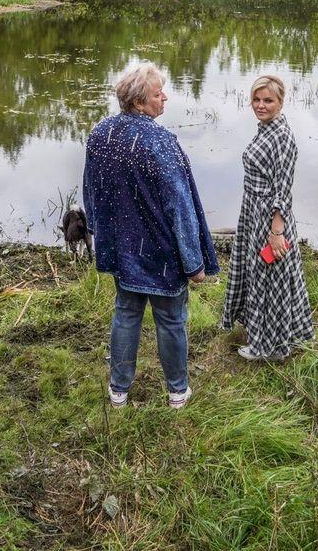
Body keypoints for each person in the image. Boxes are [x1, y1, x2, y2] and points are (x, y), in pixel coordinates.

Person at [83, 63, 219, 409]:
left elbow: (91, 192)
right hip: (161, 252)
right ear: (141, 102)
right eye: (159, 93)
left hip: (122, 249)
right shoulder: (160, 141)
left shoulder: (100, 133)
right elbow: (180, 206)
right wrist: (194, 263)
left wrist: (100, 233)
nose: (165, 97)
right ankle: (177, 393)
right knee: (171, 319)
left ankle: (118, 392)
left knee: (126, 313)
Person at [222, 75, 314, 360]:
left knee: (269, 281)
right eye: (256, 99)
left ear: (281, 102)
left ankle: (270, 348)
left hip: (270, 218)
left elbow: (283, 190)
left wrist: (276, 232)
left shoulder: (283, 137)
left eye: (268, 100)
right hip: (253, 211)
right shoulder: (266, 129)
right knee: (260, 277)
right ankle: (275, 334)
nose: (260, 106)